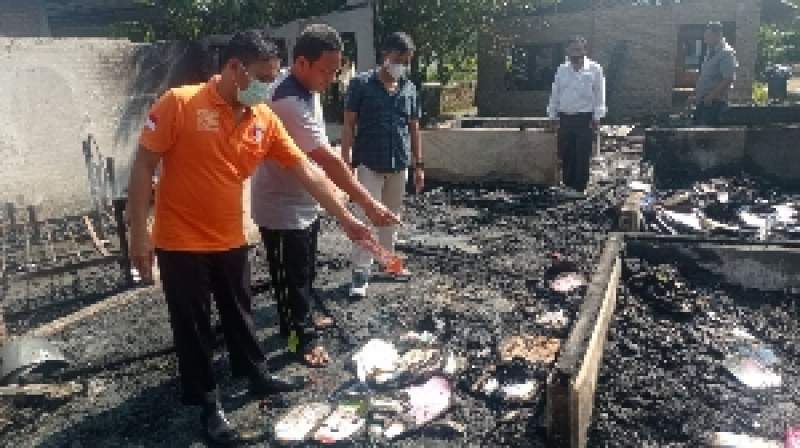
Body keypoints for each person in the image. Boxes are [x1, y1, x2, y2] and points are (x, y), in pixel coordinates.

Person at [126, 30, 378, 445]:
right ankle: (208, 404)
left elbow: (308, 171)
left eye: (273, 77)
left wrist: (347, 219)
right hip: (180, 241)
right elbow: (143, 165)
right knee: (193, 327)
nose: (268, 86)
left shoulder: (263, 118)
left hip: (230, 237)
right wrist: (139, 231)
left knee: (239, 313)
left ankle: (256, 375)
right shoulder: (180, 102)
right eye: (262, 77)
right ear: (234, 68)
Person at [251, 25, 399, 368]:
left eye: (335, 71)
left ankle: (303, 321)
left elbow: (319, 155)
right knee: (288, 283)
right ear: (302, 63)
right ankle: (297, 341)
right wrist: (368, 203)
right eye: (326, 71)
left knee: (303, 273)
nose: (331, 79)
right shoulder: (286, 100)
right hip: (280, 207)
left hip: (304, 200)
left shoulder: (305, 86)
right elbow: (329, 161)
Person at [341, 32, 423, 298]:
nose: (403, 65)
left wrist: (419, 165)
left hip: (399, 163)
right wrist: (345, 162)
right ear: (385, 54)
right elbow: (349, 125)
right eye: (399, 59)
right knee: (366, 218)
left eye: (407, 61)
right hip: (369, 163)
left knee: (391, 218)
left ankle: (389, 264)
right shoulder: (361, 84)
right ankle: (360, 272)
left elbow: (414, 128)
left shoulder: (409, 88)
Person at [547, 35, 606, 193]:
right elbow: (555, 93)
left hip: (585, 119)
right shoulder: (562, 69)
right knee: (567, 152)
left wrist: (597, 117)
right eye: (573, 49)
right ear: (567, 51)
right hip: (565, 118)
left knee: (582, 153)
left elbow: (599, 94)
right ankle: (568, 184)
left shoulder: (595, 69)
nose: (576, 52)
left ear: (585, 50)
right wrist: (552, 115)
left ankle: (579, 188)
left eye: (579, 49)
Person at [692, 21, 738, 126]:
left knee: (706, 133)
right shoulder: (710, 52)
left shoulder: (726, 53)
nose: (705, 38)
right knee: (695, 130)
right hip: (703, 102)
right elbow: (706, 76)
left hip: (715, 104)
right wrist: (696, 95)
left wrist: (711, 96)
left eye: (708, 35)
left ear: (718, 35)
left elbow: (728, 78)